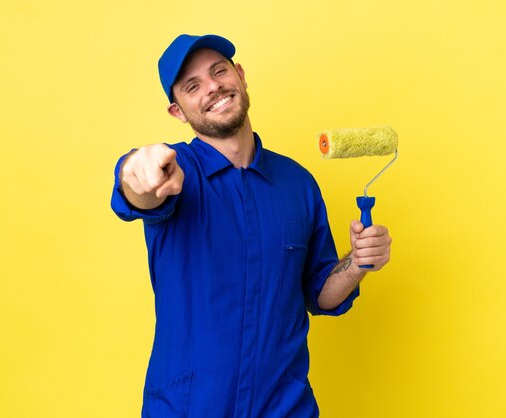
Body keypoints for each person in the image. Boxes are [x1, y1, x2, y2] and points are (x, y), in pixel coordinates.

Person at [111, 34, 392, 418]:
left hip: (284, 407)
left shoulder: (298, 183)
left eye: (220, 71)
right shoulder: (174, 173)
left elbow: (320, 294)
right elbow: (138, 192)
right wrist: (135, 171)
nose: (213, 87)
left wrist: (357, 264)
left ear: (240, 75)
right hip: (189, 408)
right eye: (193, 86)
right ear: (177, 112)